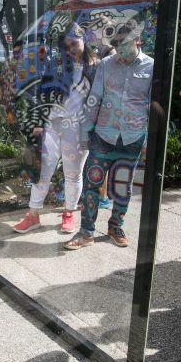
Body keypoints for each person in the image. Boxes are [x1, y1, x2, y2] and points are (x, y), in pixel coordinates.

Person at [63, 24, 152, 250]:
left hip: (132, 139)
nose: (118, 48)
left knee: (123, 187)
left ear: (137, 40)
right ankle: (86, 232)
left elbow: (153, 106)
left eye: (122, 43)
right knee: (92, 183)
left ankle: (115, 227)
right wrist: (85, 133)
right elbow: (95, 99)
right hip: (103, 136)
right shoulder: (106, 64)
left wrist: (149, 141)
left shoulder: (151, 67)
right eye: (115, 44)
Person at [13, 23, 98, 234]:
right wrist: (38, 122)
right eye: (66, 46)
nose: (70, 49)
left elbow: (100, 99)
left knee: (73, 172)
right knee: (42, 170)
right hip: (50, 124)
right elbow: (41, 93)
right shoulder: (56, 64)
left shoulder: (96, 67)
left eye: (74, 43)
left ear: (84, 40)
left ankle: (69, 213)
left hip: (76, 126)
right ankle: (33, 215)